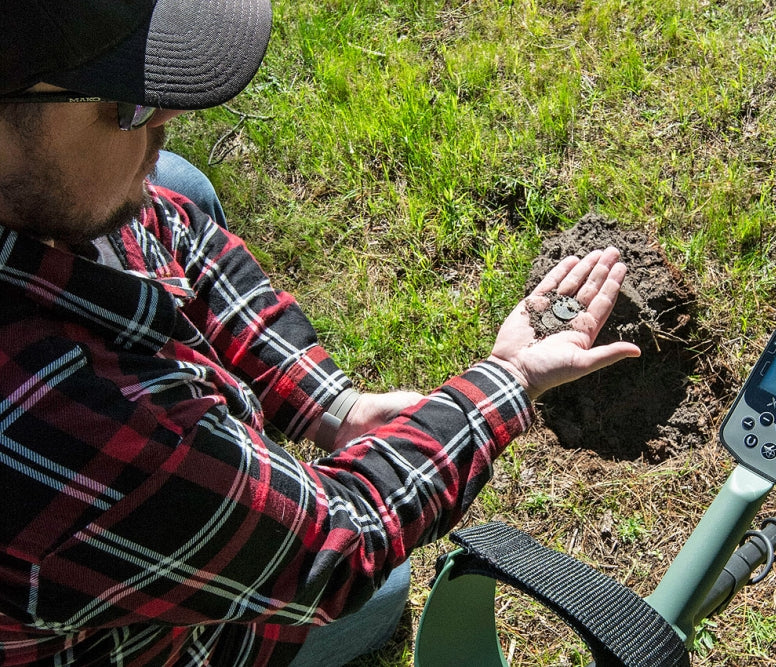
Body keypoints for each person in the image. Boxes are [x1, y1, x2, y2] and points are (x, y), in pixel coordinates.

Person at [0, 1, 642, 665]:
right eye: (126, 103)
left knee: (160, 180)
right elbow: (339, 538)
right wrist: (510, 378)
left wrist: (335, 407)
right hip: (158, 642)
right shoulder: (77, 426)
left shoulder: (36, 190)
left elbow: (170, 230)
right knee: (382, 585)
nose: (168, 113)